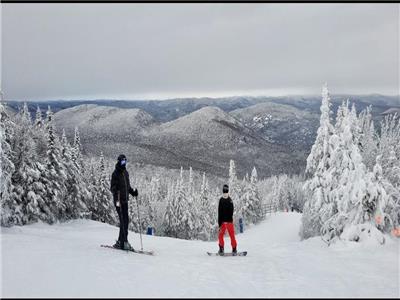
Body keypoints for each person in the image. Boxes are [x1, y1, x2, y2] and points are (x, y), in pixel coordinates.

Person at [110, 154, 138, 250]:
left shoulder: (125, 173)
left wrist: (133, 192)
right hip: (118, 201)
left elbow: (127, 187)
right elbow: (112, 187)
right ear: (119, 161)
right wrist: (115, 189)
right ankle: (124, 242)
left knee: (125, 221)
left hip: (125, 201)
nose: (124, 163)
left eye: (125, 161)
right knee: (123, 221)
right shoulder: (115, 173)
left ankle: (120, 241)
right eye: (122, 161)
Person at [218, 184, 237, 255]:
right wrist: (228, 219)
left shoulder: (221, 200)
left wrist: (219, 224)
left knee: (220, 236)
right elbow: (231, 212)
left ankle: (221, 249)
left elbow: (219, 213)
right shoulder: (230, 200)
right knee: (232, 235)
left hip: (223, 222)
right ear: (228, 190)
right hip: (229, 222)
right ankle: (234, 249)